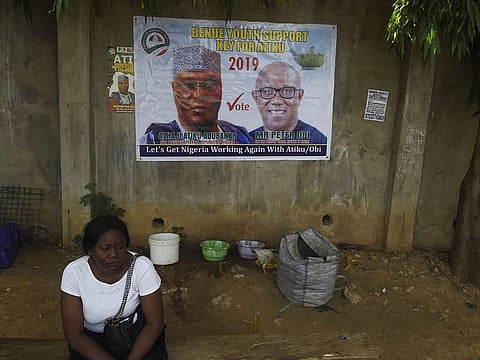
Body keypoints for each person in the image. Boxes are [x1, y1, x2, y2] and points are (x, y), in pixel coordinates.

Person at [61, 215, 167, 360]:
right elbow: (75, 337)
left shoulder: (142, 268)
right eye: (105, 249)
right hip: (91, 344)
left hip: (134, 339)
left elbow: (154, 324)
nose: (114, 255)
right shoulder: (75, 273)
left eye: (120, 247)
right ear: (90, 248)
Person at [140, 46, 253, 144]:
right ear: (174, 88)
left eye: (208, 85)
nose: (199, 94)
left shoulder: (240, 135)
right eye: (189, 85)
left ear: (221, 88)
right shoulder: (156, 139)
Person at [250, 61, 328, 144]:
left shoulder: (318, 142)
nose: (277, 101)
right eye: (267, 91)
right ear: (256, 97)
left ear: (299, 96)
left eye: (286, 91)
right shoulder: (247, 140)